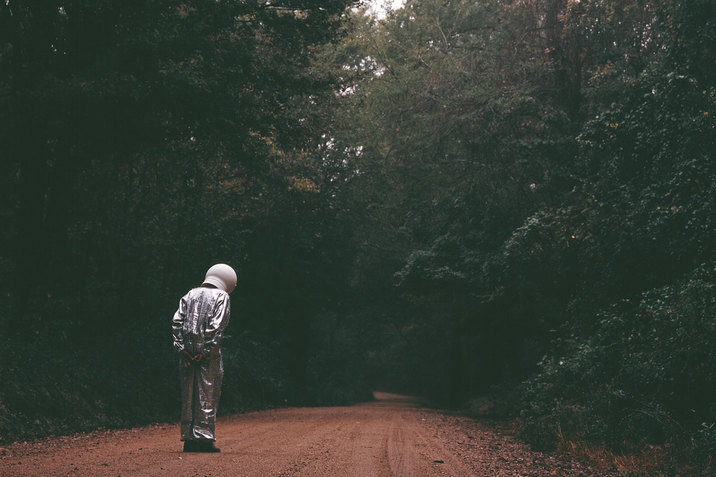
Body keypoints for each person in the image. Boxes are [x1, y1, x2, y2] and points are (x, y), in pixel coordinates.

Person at [171, 263, 237, 453]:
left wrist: (181, 348)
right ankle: (204, 438)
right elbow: (217, 326)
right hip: (208, 354)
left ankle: (188, 438)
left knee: (188, 393)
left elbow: (177, 321)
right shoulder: (222, 296)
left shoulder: (190, 294)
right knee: (208, 392)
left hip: (187, 352)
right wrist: (207, 350)